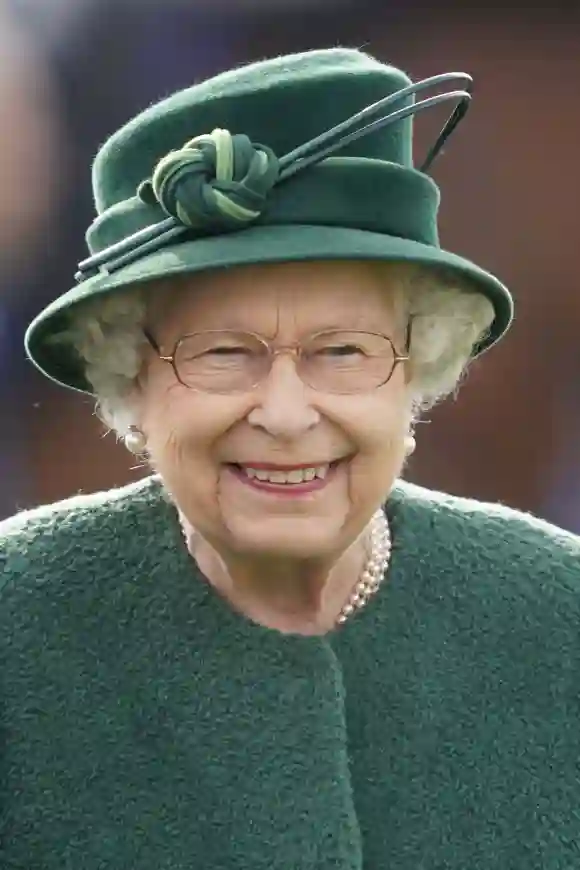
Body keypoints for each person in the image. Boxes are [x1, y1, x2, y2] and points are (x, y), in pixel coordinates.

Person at [1, 47, 578, 869]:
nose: (282, 413)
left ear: (416, 368)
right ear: (132, 378)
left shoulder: (559, 612)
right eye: (223, 352)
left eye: (342, 351)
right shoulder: (15, 621)